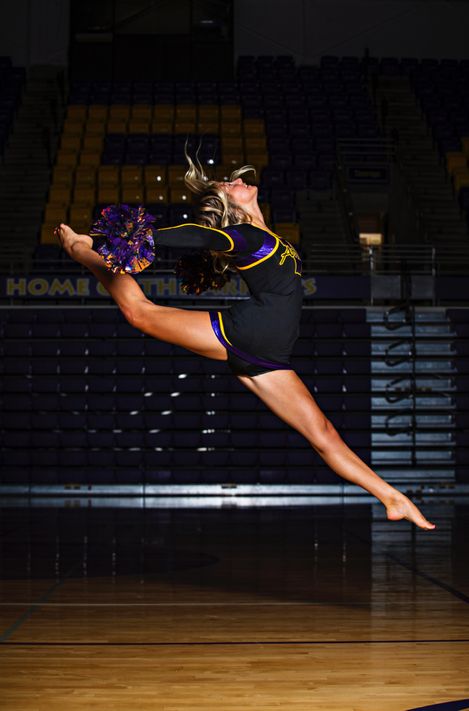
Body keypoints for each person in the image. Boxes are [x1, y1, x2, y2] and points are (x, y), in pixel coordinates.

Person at [55, 153, 436, 531]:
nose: (239, 181)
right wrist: (132, 239)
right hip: (249, 331)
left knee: (323, 434)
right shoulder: (246, 236)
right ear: (229, 205)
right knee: (139, 312)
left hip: (269, 356)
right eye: (229, 184)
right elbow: (202, 235)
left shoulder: (267, 235)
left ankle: (391, 497)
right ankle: (81, 249)